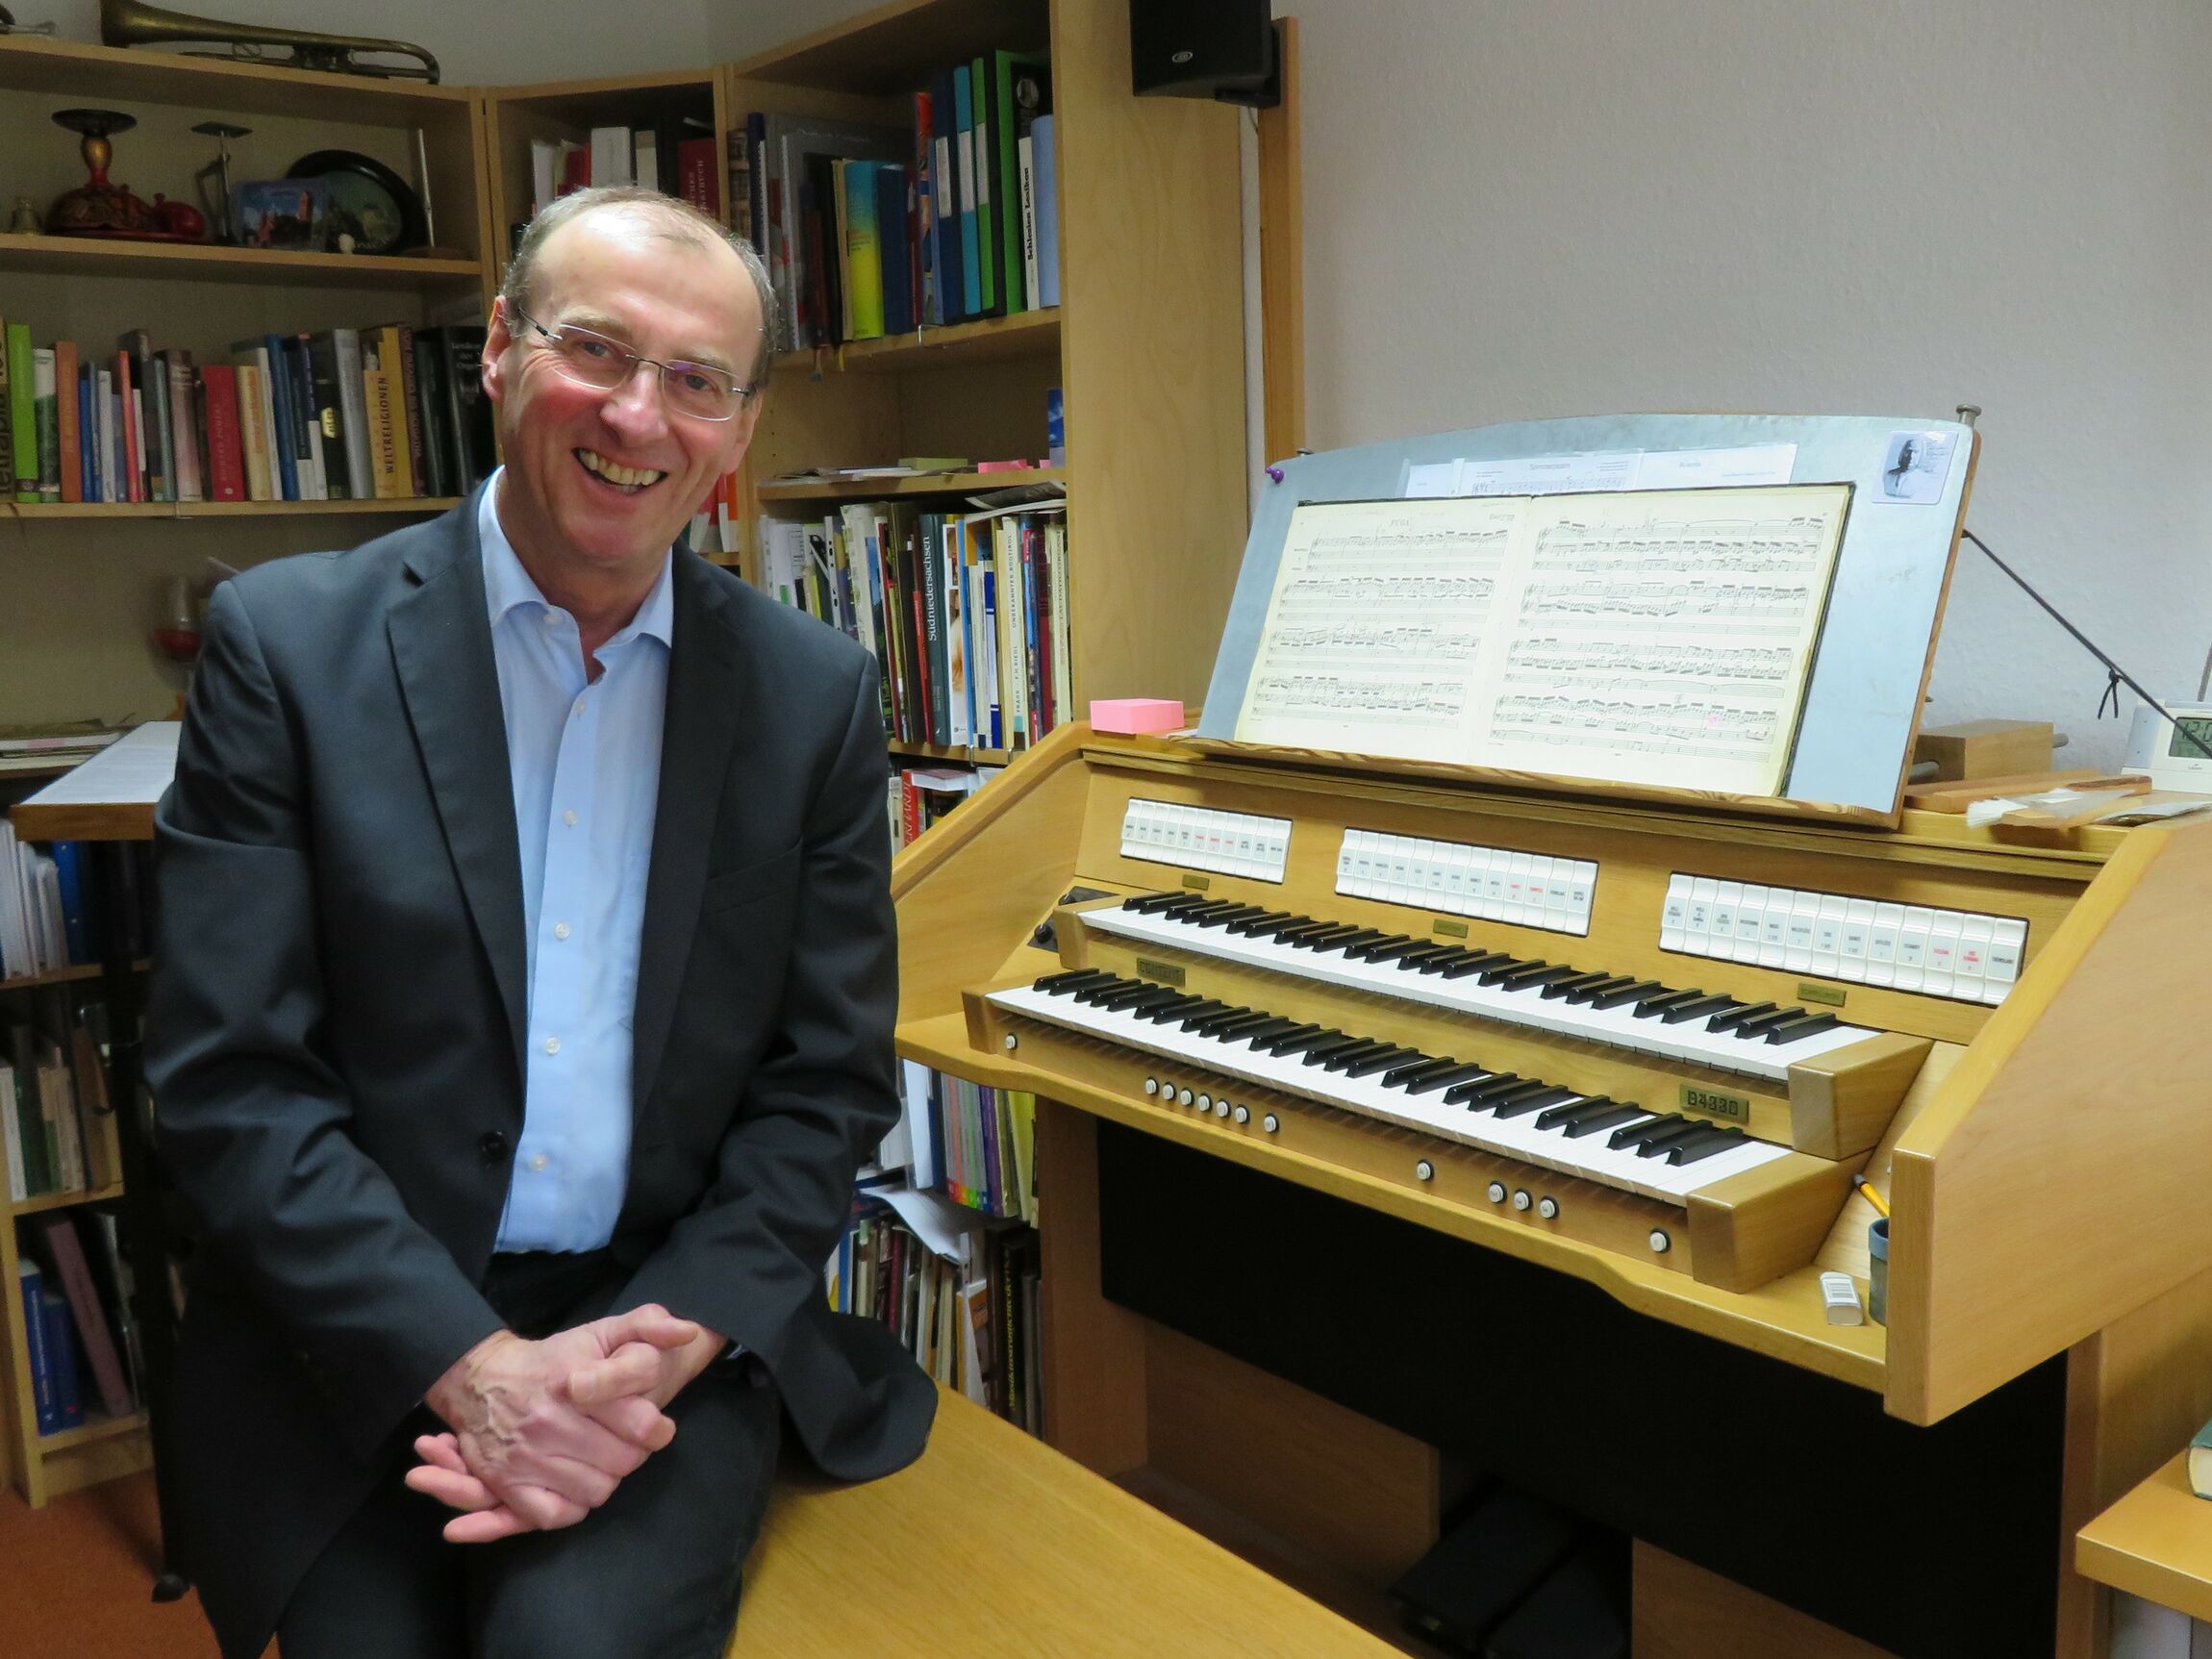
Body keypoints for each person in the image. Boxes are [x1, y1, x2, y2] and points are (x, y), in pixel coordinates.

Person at [145, 185, 935, 1659]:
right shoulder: (290, 647)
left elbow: (824, 1083)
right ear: (500, 352)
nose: (639, 416)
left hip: (654, 1322)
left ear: (741, 432)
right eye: (597, 350)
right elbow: (229, 1082)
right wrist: (471, 1365)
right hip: (357, 1318)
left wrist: (659, 1347)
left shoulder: (812, 692)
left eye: (697, 380)